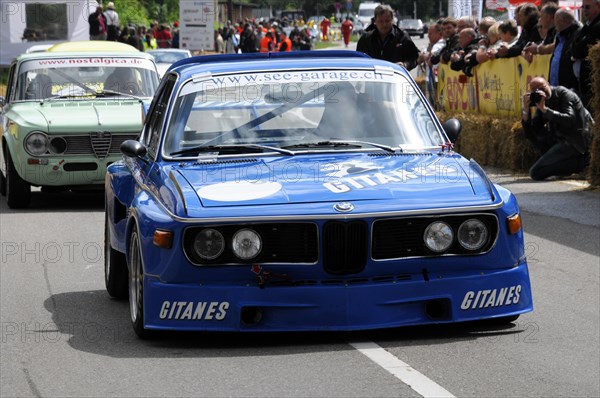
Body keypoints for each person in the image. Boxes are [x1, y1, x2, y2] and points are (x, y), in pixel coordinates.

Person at [521, 77, 592, 180]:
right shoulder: (541, 101)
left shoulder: (565, 94)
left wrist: (545, 110)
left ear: (548, 84)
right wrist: (526, 111)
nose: (539, 91)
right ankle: (564, 164)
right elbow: (532, 131)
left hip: (577, 141)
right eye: (534, 90)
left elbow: (569, 120)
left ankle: (582, 164)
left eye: (541, 87)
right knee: (536, 137)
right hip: (560, 140)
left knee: (535, 173)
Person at [356, 4, 419, 70]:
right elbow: (358, 60)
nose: (384, 24)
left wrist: (405, 65)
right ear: (375, 21)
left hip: (395, 77)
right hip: (371, 77)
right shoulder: (366, 39)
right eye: (381, 21)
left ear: (392, 20)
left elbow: (414, 57)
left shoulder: (402, 37)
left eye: (387, 21)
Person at [572, 0, 600, 113]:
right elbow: (573, 48)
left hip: (593, 85)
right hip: (584, 84)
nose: (584, 10)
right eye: (583, 7)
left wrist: (577, 53)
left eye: (587, 7)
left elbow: (581, 50)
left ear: (598, 6)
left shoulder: (597, 26)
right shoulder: (586, 26)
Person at [548, 9, 580, 92]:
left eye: (556, 21)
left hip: (570, 88)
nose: (555, 25)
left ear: (562, 21)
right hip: (556, 88)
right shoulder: (560, 36)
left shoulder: (577, 35)